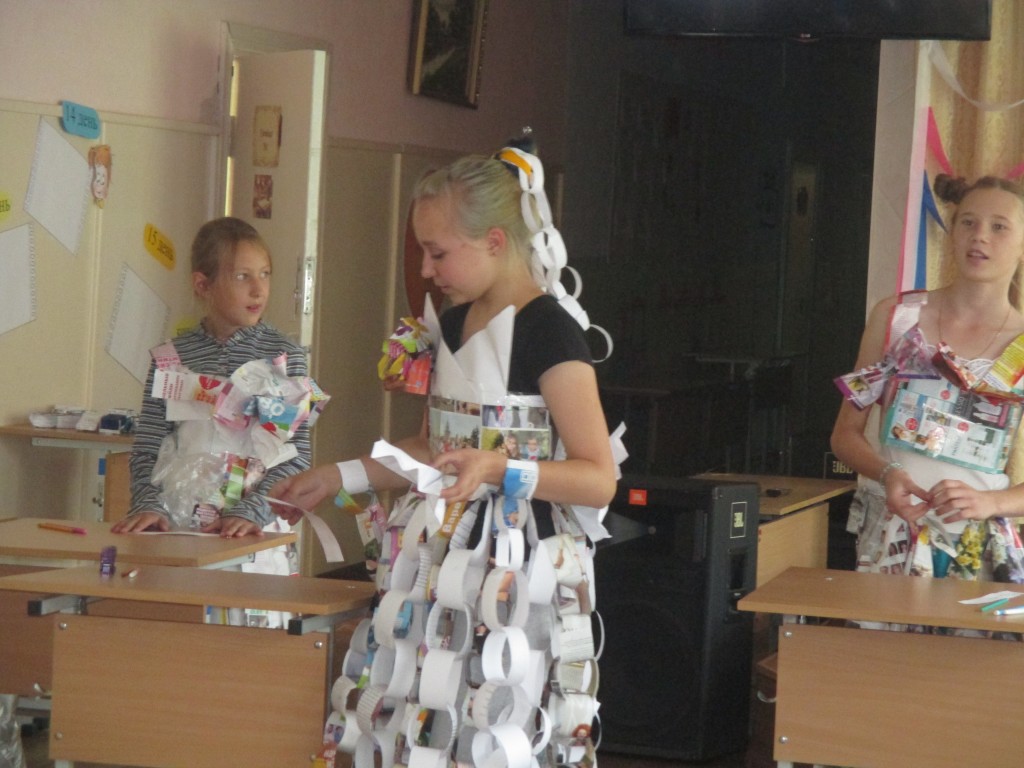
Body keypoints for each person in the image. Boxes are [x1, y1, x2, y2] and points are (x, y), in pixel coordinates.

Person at [270, 143, 617, 765]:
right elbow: (433, 448)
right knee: (430, 707)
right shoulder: (454, 324)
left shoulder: (549, 331)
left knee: (502, 718)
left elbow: (598, 477)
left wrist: (500, 468)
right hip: (444, 550)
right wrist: (338, 475)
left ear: (493, 241)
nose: (428, 270)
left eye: (438, 253)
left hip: (519, 563)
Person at [831, 174, 1024, 585]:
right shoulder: (896, 318)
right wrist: (887, 473)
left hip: (978, 554)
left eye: (999, 227)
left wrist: (991, 502)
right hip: (890, 539)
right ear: (952, 232)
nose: (980, 236)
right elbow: (844, 435)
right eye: (968, 222)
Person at [113, 217, 312, 539]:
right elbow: (148, 447)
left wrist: (251, 511)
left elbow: (297, 456)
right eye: (242, 276)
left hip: (253, 531)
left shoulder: (285, 357)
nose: (258, 289)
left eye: (264, 274)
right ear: (203, 285)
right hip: (177, 525)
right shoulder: (170, 358)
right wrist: (149, 505)